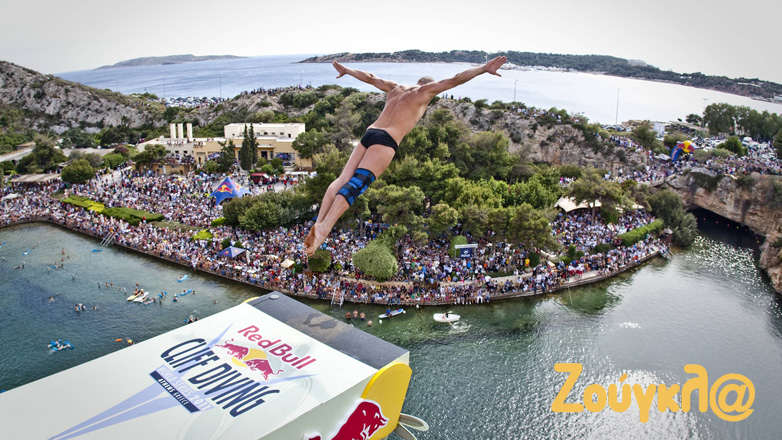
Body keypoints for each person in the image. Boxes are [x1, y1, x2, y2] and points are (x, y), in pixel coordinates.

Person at [304, 56, 508, 256]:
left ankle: (319, 222)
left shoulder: (395, 88)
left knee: (341, 180)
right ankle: (323, 229)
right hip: (386, 140)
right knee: (357, 184)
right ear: (430, 88)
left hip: (370, 133)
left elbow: (370, 77)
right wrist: (483, 68)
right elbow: (455, 79)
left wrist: (347, 70)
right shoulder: (425, 92)